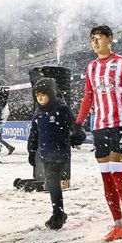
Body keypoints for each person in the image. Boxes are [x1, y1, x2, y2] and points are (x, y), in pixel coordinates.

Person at [75, 24, 122, 242]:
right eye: (92, 39)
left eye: (98, 38)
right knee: (106, 177)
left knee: (118, 173)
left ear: (110, 39)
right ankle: (117, 224)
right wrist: (78, 123)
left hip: (121, 123)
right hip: (100, 125)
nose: (95, 42)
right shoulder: (90, 67)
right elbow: (88, 97)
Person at [26, 78, 83, 230]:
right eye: (37, 95)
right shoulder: (38, 113)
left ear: (50, 94)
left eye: (43, 94)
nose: (40, 98)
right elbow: (34, 133)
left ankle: (58, 212)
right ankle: (58, 211)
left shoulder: (62, 109)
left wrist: (78, 135)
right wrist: (31, 151)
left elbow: (75, 126)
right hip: (46, 152)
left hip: (60, 151)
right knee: (51, 183)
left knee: (51, 181)